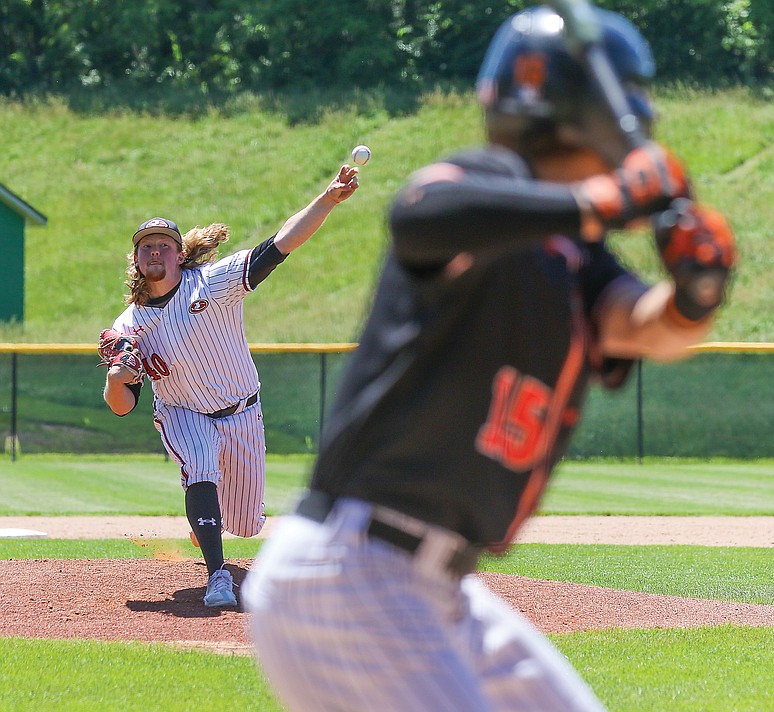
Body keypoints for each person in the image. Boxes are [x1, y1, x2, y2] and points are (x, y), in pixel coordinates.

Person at [243, 6, 736, 711]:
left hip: (437, 588)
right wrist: (607, 198)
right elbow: (421, 212)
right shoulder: (480, 184)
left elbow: (646, 329)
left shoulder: (574, 252)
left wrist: (694, 293)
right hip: (352, 572)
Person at [99, 164, 360, 608]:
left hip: (241, 411)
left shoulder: (216, 283)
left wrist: (327, 200)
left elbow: (282, 243)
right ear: (137, 261)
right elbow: (122, 406)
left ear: (180, 255)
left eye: (165, 244)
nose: (155, 251)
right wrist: (115, 378)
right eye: (146, 247)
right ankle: (218, 575)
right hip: (182, 412)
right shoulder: (128, 327)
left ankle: (206, 525)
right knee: (199, 466)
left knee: (245, 523)